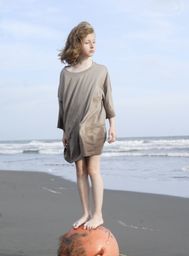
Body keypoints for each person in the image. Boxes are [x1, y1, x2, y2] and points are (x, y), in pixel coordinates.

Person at [57, 21, 116, 230]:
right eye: (88, 42)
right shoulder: (66, 74)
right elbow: (62, 102)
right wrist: (64, 129)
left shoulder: (101, 71)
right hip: (73, 129)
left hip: (94, 127)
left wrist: (113, 125)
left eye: (94, 42)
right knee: (80, 171)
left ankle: (98, 214)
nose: (93, 46)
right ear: (77, 44)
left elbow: (108, 100)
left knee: (93, 170)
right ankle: (85, 213)